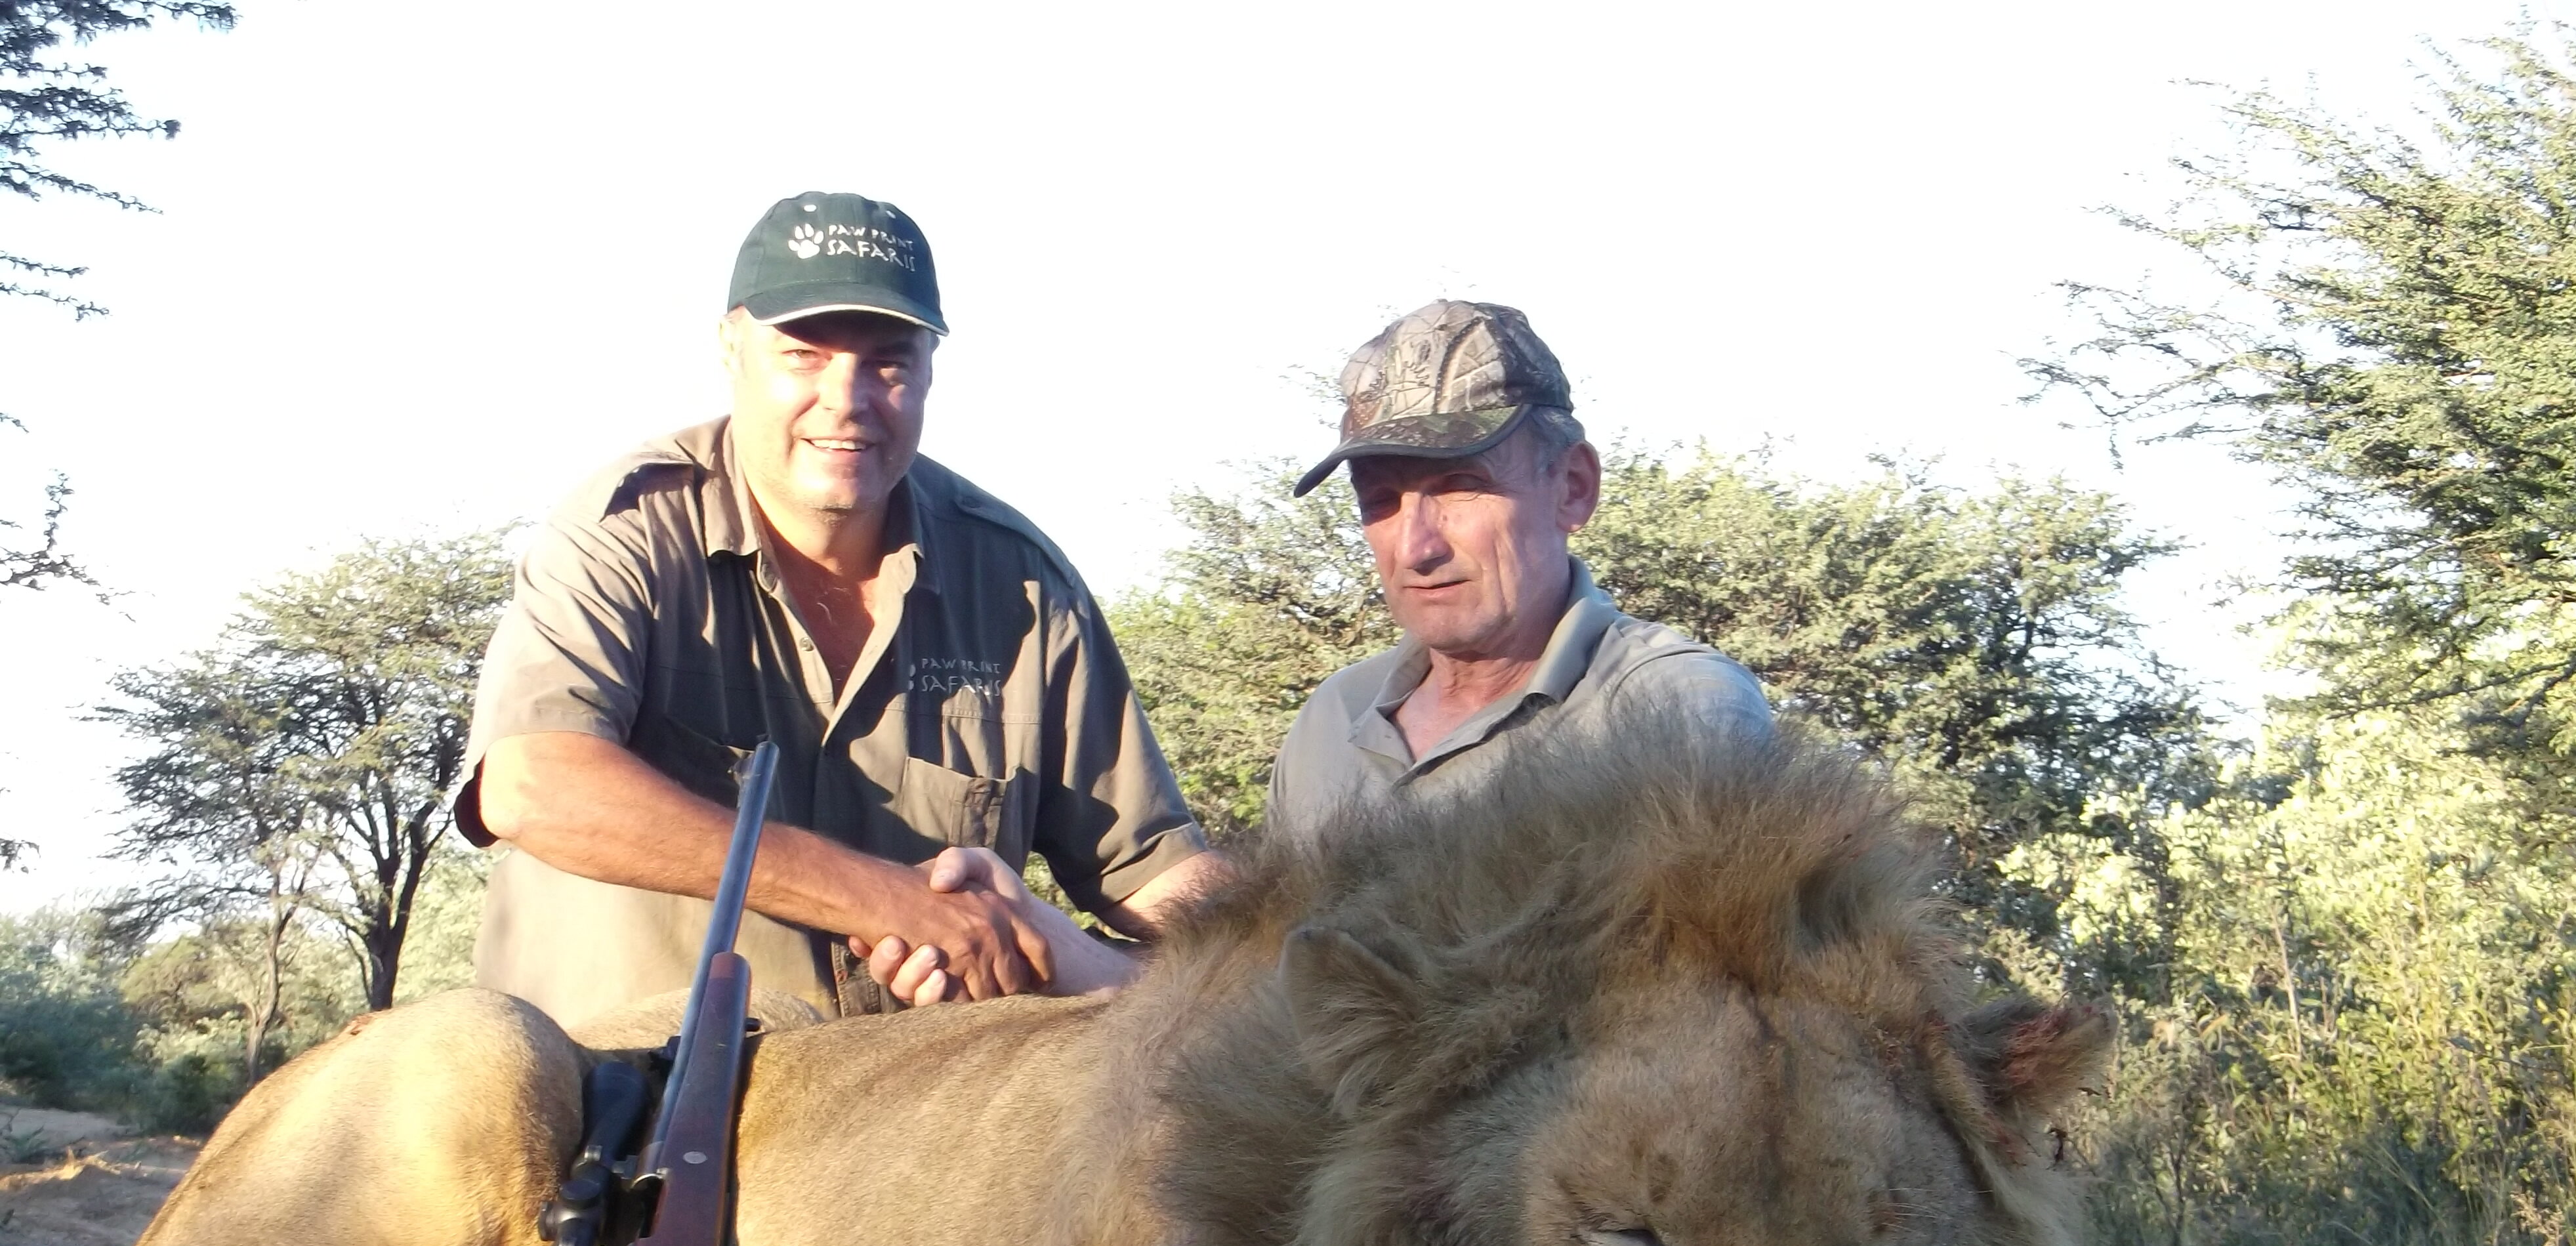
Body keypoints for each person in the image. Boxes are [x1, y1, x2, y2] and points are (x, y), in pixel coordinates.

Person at [457, 191, 1220, 1032]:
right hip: (616, 1119)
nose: (847, 399)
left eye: (889, 361)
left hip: (904, 1129)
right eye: (805, 355)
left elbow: (1152, 873)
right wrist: (894, 902)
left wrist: (1269, 959)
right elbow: (532, 787)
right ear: (731, 347)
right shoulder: (627, 531)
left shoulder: (1022, 582)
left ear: (931, 364)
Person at [1266, 300, 1773, 835]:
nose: (1416, 548)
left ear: (1573, 488)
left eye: (1461, 486)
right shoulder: (1332, 716)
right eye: (1380, 500)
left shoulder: (1677, 707)